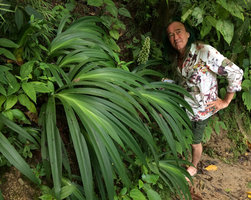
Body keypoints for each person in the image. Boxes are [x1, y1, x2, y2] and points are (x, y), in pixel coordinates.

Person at [164, 21, 243, 179]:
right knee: (183, 135)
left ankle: (193, 167)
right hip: (184, 105)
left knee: (195, 141)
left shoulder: (204, 51)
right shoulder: (177, 57)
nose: (175, 37)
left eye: (178, 31)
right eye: (171, 35)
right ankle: (183, 161)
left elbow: (235, 72)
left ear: (188, 33)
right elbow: (182, 82)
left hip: (202, 109)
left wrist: (226, 101)